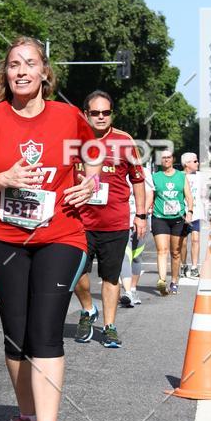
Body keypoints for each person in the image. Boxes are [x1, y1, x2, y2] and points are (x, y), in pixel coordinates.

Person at [0, 36, 100, 421]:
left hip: (60, 234)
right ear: (6, 74)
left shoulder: (67, 116)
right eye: (14, 64)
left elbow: (93, 155)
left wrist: (89, 183)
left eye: (30, 63)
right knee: (17, 338)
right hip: (5, 238)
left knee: (45, 333)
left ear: (44, 72)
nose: (21, 71)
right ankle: (25, 419)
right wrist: (4, 177)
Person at [73, 91, 147, 347]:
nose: (101, 117)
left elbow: (138, 180)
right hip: (78, 221)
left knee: (111, 277)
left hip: (114, 222)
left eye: (106, 112)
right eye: (95, 113)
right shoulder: (73, 140)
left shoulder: (124, 141)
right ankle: (87, 309)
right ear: (86, 114)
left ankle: (109, 326)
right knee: (75, 273)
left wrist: (140, 215)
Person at [149, 149, 193, 295]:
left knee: (175, 253)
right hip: (159, 217)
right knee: (162, 250)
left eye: (168, 157)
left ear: (172, 159)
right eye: (163, 158)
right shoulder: (155, 177)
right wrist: (145, 210)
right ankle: (162, 281)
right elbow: (150, 196)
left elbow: (189, 196)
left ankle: (174, 281)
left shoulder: (181, 176)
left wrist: (190, 212)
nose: (166, 160)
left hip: (178, 219)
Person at [119, 168, 154, 307]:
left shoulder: (143, 171)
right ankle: (127, 292)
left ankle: (133, 289)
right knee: (125, 255)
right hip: (123, 219)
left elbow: (149, 194)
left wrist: (141, 215)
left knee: (136, 257)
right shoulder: (118, 170)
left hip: (140, 219)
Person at [179, 152, 202, 278]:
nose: (197, 163)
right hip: (182, 213)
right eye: (195, 161)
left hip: (196, 212)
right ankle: (183, 265)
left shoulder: (200, 176)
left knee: (195, 239)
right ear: (187, 163)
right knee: (182, 242)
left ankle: (194, 267)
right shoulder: (179, 176)